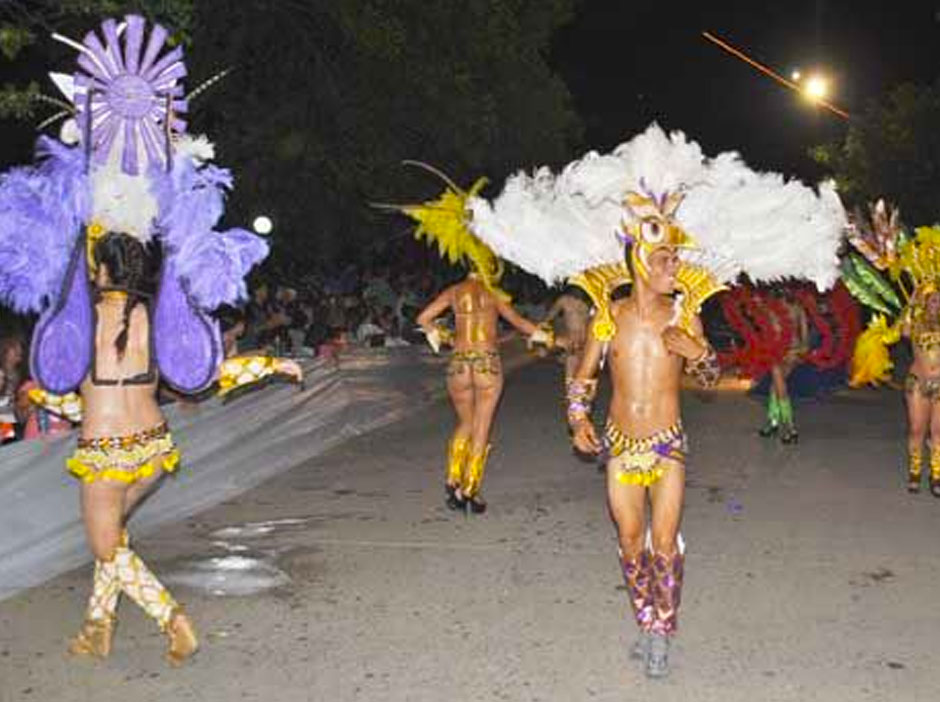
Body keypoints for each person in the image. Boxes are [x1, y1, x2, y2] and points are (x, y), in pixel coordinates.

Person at [567, 216, 720, 678]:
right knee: (631, 540)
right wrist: (577, 418)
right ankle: (645, 619)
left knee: (665, 542)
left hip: (667, 444)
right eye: (664, 259)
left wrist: (699, 354)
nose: (674, 268)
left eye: (676, 258)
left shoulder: (684, 314)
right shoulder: (608, 317)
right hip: (621, 445)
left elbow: (710, 379)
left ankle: (662, 633)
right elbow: (584, 377)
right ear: (639, 263)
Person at [417, 268, 553, 513]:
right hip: (486, 362)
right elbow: (521, 323)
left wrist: (445, 336)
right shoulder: (493, 294)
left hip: (458, 363)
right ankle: (469, 489)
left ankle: (452, 479)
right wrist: (549, 337)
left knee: (466, 423)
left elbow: (423, 319)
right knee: (481, 426)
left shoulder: (454, 291)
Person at [902, 287, 940, 495]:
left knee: (938, 432)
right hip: (918, 382)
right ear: (925, 302)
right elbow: (903, 331)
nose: (937, 304)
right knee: (917, 429)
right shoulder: (916, 324)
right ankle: (915, 471)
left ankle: (937, 475)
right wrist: (912, 299)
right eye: (933, 300)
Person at [542, 287, 591, 384]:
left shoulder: (589, 300)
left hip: (586, 338)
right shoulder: (565, 300)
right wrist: (543, 326)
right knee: (571, 367)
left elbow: (591, 320)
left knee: (582, 370)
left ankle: (577, 395)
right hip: (572, 338)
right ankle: (571, 395)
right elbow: (551, 315)